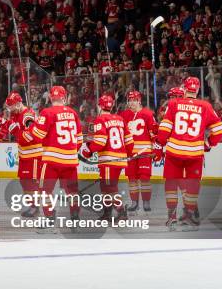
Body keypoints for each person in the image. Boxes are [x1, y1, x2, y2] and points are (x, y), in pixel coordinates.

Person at [154, 76, 222, 229]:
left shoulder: (173, 104)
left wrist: (159, 145)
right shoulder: (205, 106)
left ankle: (171, 217)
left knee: (171, 184)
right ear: (198, 90)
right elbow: (218, 131)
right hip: (195, 154)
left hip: (174, 153)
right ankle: (189, 216)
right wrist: (208, 143)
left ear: (184, 89)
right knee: (192, 185)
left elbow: (164, 130)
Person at [30, 86, 83, 220]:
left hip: (51, 160)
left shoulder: (47, 112)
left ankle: (49, 215)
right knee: (72, 191)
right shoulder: (73, 113)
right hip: (70, 161)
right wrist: (70, 152)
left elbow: (36, 136)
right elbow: (80, 139)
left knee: (45, 191)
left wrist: (32, 124)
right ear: (64, 98)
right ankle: (75, 215)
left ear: (50, 98)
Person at [80, 94, 134, 223]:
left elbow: (99, 142)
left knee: (110, 188)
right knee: (105, 187)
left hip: (109, 160)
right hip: (119, 159)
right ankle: (107, 213)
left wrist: (87, 151)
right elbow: (129, 141)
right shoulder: (120, 119)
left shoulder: (100, 120)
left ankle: (121, 212)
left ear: (100, 106)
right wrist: (129, 153)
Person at [0, 92, 42, 217]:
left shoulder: (28, 116)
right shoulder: (16, 114)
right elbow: (10, 127)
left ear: (18, 103)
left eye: (11, 106)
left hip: (34, 155)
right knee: (24, 181)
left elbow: (30, 136)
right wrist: (2, 122)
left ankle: (36, 207)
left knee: (32, 182)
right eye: (8, 106)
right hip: (25, 155)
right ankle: (33, 205)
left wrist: (15, 131)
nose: (9, 109)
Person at [119, 91, 156, 213]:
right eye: (129, 100)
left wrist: (156, 149)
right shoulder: (124, 115)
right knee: (132, 178)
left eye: (134, 100)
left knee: (145, 178)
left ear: (139, 100)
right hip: (130, 153)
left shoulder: (148, 114)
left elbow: (154, 134)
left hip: (144, 152)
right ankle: (134, 202)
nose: (131, 103)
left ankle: (146, 202)